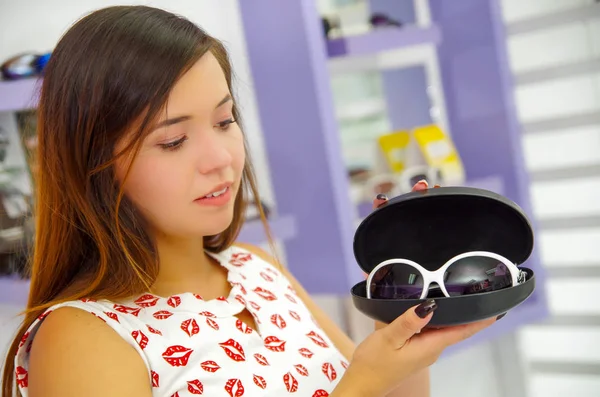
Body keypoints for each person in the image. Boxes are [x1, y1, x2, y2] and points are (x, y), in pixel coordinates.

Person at [1, 6, 496, 397]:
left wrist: (401, 312)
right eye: (173, 141)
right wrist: (361, 383)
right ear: (93, 165)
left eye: (224, 120)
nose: (221, 158)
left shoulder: (255, 270)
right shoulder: (81, 339)